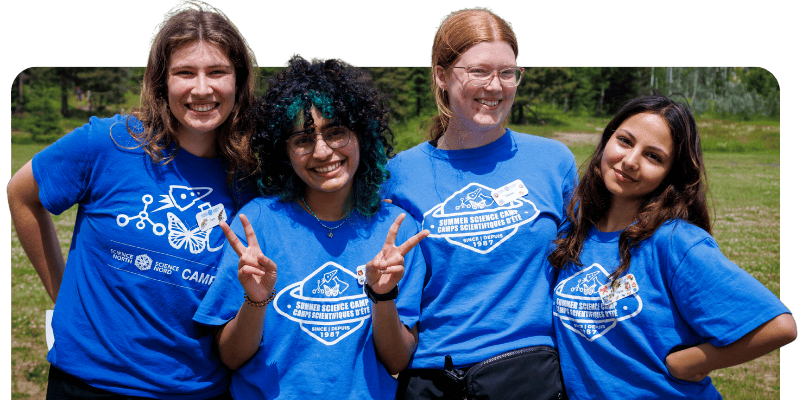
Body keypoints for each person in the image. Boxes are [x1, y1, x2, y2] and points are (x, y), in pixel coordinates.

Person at [6, 1, 258, 398]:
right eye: (185, 73)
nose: (202, 88)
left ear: (239, 81)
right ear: (161, 81)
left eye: (218, 72)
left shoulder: (252, 173)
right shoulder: (109, 143)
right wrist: (60, 290)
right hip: (87, 383)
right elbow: (21, 194)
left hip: (196, 389)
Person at [193, 56, 429, 400]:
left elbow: (397, 358)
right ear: (284, 151)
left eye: (336, 132)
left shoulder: (397, 231)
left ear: (361, 136)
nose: (322, 152)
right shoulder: (257, 222)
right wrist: (256, 301)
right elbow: (230, 356)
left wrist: (382, 296)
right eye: (303, 139)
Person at [380, 7, 576, 400]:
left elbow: (580, 269)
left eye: (507, 73)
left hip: (528, 376)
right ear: (441, 75)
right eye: (479, 71)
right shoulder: (399, 174)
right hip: (434, 379)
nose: (495, 86)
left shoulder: (554, 162)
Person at [548, 95, 797, 399]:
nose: (630, 160)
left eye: (653, 156)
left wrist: (686, 362)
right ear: (606, 140)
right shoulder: (574, 232)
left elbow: (778, 327)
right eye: (625, 141)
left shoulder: (674, 242)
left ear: (671, 173)